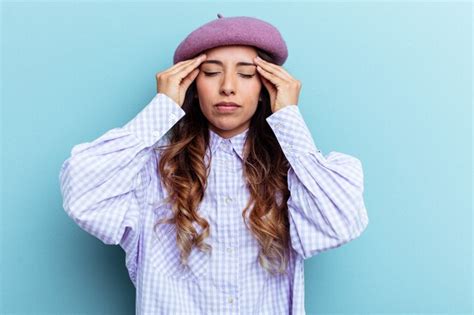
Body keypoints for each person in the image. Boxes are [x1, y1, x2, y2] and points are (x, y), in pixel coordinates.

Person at [59, 13, 369, 315]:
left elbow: (339, 225)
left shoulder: (296, 172)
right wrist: (161, 109)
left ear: (267, 87)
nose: (228, 86)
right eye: (210, 72)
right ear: (192, 84)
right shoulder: (148, 169)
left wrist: (288, 118)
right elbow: (82, 194)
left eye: (247, 74)